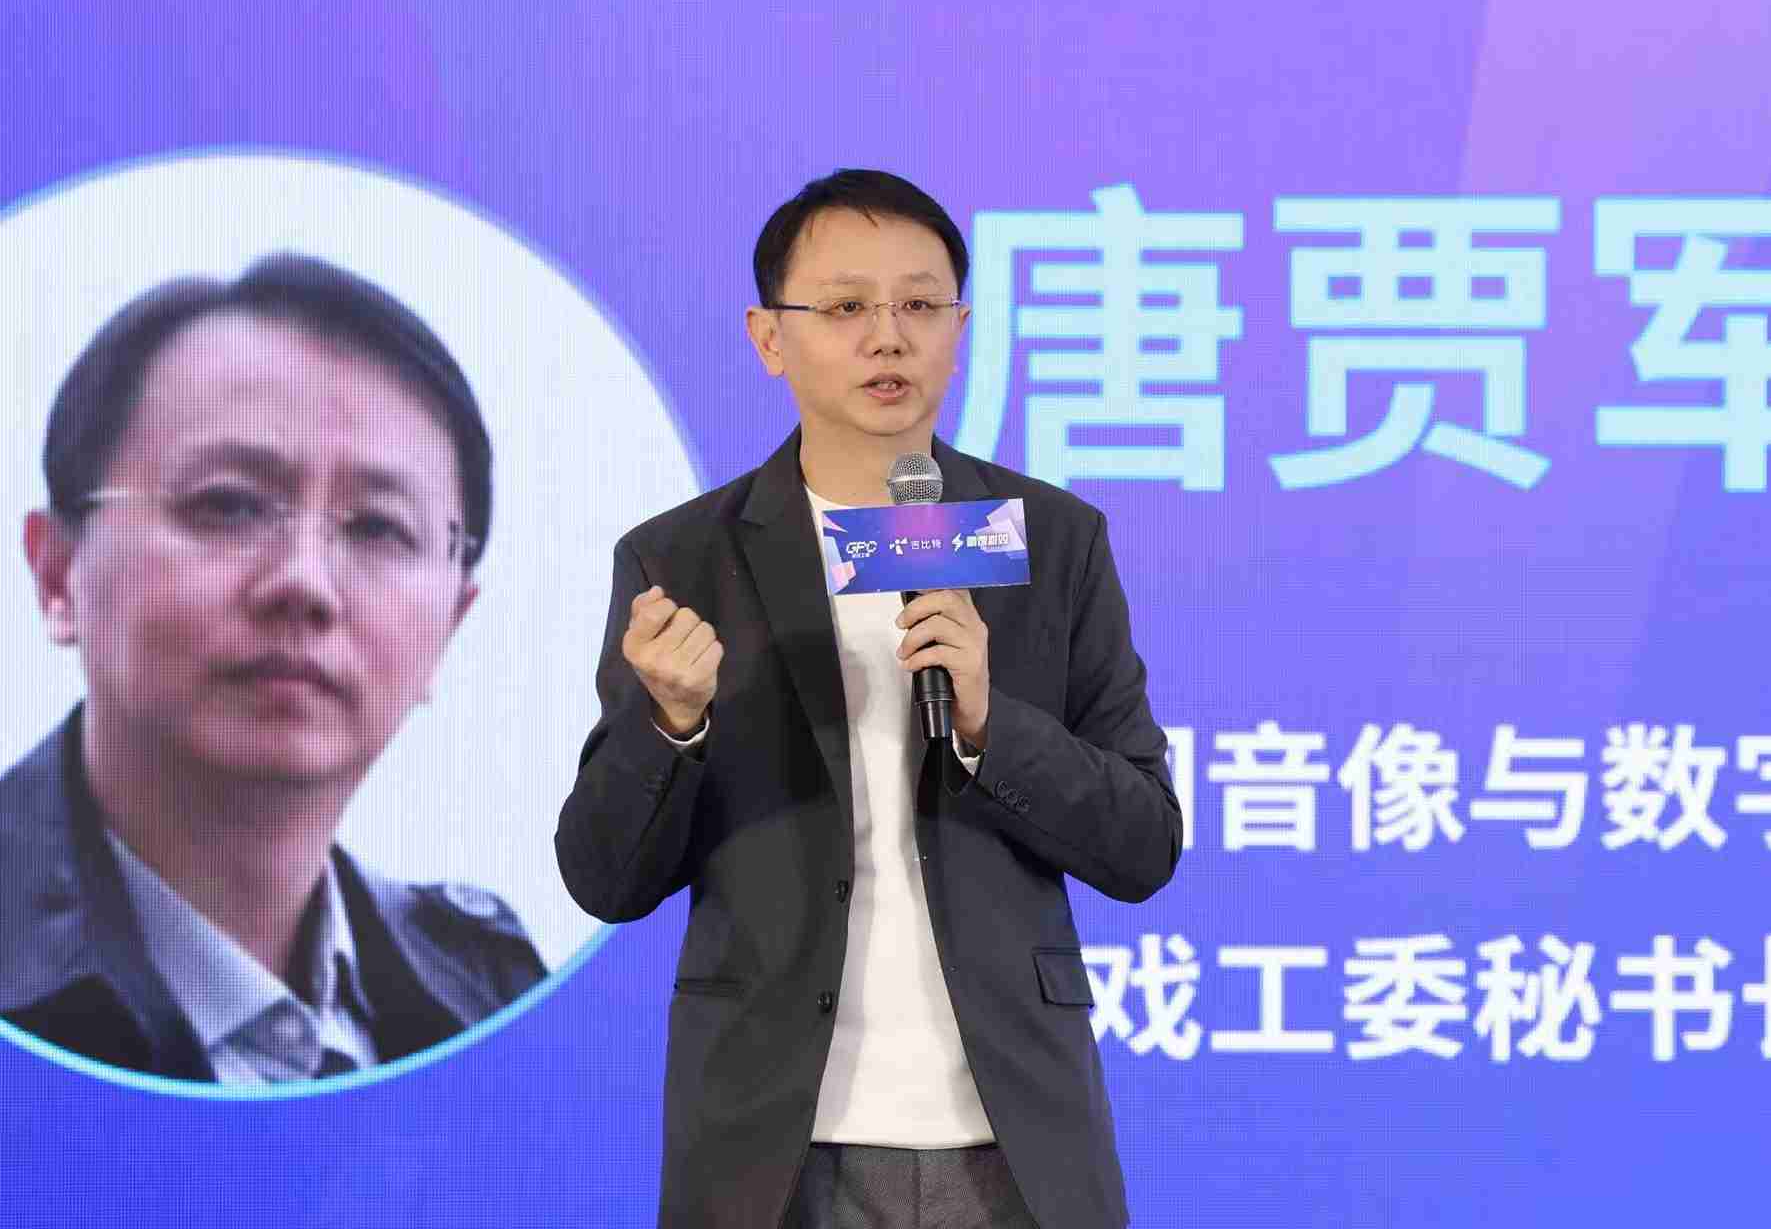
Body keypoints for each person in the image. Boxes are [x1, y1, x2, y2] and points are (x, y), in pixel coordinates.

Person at [556, 170, 1180, 1227]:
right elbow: (604, 878)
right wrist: (670, 726)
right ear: (770, 337)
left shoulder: (1053, 541)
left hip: (1015, 1140)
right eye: (847, 307)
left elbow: (1144, 845)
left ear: (959, 330)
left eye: (920, 305)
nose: (888, 336)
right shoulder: (685, 560)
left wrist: (989, 724)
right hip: (777, 1147)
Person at [0, 254, 546, 1084]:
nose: (304, 583)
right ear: (58, 572)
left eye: (378, 528)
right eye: (227, 504)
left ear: (448, 626)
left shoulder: (496, 999)